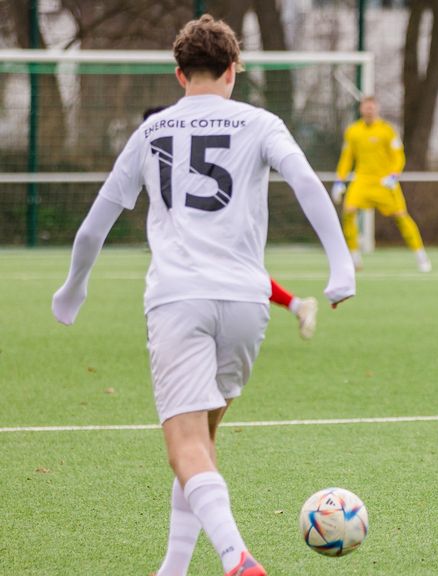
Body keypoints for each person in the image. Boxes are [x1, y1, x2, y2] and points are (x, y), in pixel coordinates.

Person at [52, 15, 355, 576]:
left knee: (185, 446)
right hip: (246, 305)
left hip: (179, 300)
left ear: (179, 73)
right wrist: (340, 267)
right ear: (233, 70)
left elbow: (95, 224)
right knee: (203, 442)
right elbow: (307, 184)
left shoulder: (151, 131)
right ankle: (173, 568)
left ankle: (237, 558)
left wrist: (73, 287)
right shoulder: (261, 122)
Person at [144, 105, 319, 340]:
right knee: (236, 273)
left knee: (235, 274)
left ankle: (295, 306)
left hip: (210, 226)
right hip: (210, 229)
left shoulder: (179, 153)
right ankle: (297, 306)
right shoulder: (179, 150)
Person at [332, 96, 431, 273]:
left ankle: (421, 256)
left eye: (372, 107)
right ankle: (354, 258)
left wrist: (393, 175)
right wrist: (339, 180)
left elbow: (398, 156)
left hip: (384, 182)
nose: (369, 110)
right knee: (348, 212)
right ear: (361, 109)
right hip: (362, 180)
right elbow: (346, 158)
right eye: (366, 107)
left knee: (401, 217)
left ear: (376, 109)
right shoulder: (353, 131)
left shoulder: (387, 130)